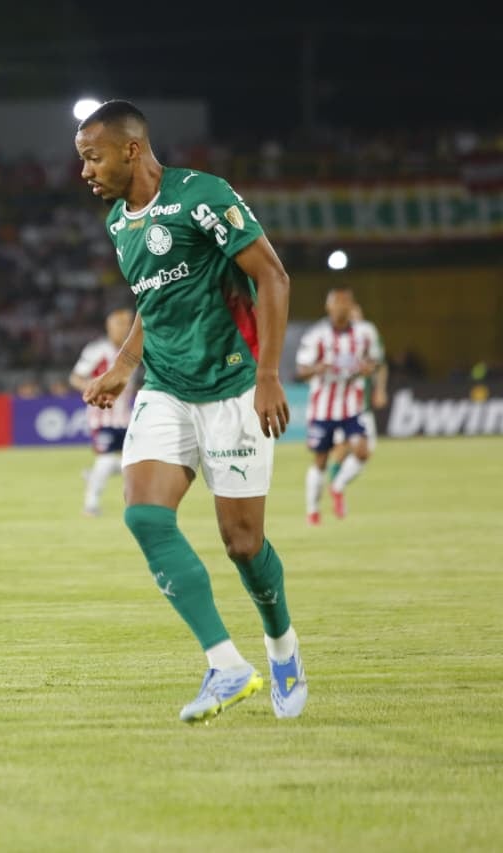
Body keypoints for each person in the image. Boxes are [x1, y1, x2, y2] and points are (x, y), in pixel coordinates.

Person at [75, 100, 306, 724]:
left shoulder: (202, 195)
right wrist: (125, 366)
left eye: (92, 157)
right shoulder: (119, 225)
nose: (85, 172)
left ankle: (281, 646)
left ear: (130, 150)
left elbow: (273, 278)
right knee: (144, 516)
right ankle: (226, 664)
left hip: (232, 388)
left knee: (242, 544)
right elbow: (156, 298)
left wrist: (267, 374)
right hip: (167, 390)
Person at [295, 288, 384, 525]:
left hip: (351, 406)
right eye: (337, 303)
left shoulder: (364, 333)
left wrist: (369, 368)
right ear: (328, 307)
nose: (341, 308)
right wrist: (317, 368)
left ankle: (338, 485)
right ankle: (313, 510)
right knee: (320, 461)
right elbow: (301, 370)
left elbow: (375, 360)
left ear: (351, 306)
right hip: (322, 408)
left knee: (362, 451)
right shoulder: (317, 335)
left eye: (346, 304)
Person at [68, 307, 136, 517]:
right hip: (102, 416)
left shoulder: (132, 351)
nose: (123, 329)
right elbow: (76, 378)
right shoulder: (96, 350)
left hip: (126, 417)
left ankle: (96, 474)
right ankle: (91, 504)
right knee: (106, 459)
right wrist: (94, 389)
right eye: (119, 324)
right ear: (109, 327)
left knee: (134, 462)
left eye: (127, 324)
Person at [326, 301, 388, 488]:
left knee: (361, 448)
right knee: (344, 445)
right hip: (340, 402)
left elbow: (381, 365)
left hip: (362, 402)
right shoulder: (332, 339)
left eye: (357, 316)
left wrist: (380, 389)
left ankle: (336, 483)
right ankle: (336, 485)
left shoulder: (368, 338)